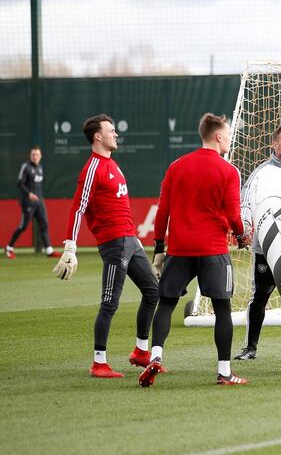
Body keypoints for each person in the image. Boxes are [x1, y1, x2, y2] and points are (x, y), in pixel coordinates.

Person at [138, 113, 251, 387]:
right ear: (219, 136)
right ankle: (224, 372)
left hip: (179, 249)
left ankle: (156, 356)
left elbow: (162, 210)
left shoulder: (177, 166)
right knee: (222, 309)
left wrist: (159, 247)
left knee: (166, 304)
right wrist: (241, 235)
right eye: (227, 133)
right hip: (212, 250)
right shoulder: (228, 170)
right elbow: (234, 213)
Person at [52, 114, 159, 378]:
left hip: (131, 240)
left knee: (153, 292)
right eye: (111, 131)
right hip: (113, 243)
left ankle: (141, 352)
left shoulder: (114, 164)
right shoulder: (92, 168)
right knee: (110, 302)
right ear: (97, 136)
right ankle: (99, 363)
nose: (116, 134)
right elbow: (78, 209)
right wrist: (70, 247)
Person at [235, 123, 281, 361]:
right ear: (275, 144)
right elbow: (246, 203)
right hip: (266, 248)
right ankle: (250, 348)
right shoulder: (262, 173)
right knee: (261, 296)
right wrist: (245, 229)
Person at [6, 146, 61, 259]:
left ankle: (49, 250)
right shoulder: (25, 167)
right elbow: (19, 183)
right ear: (30, 156)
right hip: (28, 202)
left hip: (39, 202)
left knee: (44, 224)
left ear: (40, 156)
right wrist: (29, 194)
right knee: (23, 226)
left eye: (37, 154)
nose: (35, 156)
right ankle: (9, 248)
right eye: (33, 155)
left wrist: (39, 198)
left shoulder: (40, 168)